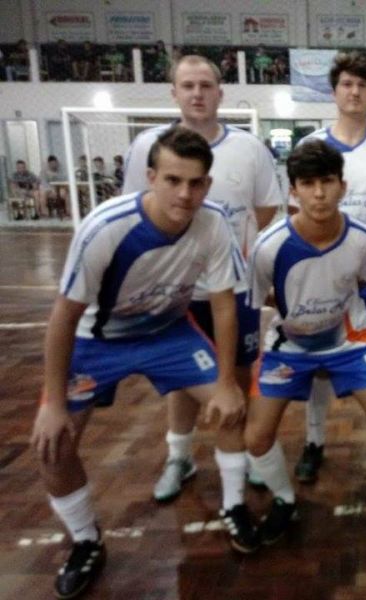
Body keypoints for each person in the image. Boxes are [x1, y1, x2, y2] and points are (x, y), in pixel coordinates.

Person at [31, 128, 258, 600]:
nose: (184, 194)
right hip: (97, 340)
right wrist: (53, 402)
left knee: (232, 408)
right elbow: (63, 318)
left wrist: (225, 381)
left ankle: (235, 505)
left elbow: (223, 305)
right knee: (53, 446)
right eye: (173, 180)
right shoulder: (105, 226)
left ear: (207, 185)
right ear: (151, 177)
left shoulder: (215, 222)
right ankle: (86, 541)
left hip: (169, 333)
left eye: (195, 183)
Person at [123, 54, 283, 502]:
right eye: (188, 85)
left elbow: (265, 209)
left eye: (206, 85)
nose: (197, 94)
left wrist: (230, 253)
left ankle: (241, 451)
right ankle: (180, 455)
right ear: (174, 92)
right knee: (182, 373)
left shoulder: (249, 148)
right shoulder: (148, 146)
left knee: (237, 369)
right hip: (174, 288)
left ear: (220, 92)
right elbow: (136, 208)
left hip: (235, 285)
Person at [245, 139, 366, 543]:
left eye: (327, 182)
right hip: (289, 346)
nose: (319, 193)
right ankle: (284, 499)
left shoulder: (364, 239)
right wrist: (298, 310)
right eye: (307, 183)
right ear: (293, 191)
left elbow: (362, 284)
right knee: (256, 437)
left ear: (343, 185)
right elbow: (260, 298)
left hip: (349, 340)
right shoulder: (268, 247)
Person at [292, 52, 366, 484]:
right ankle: (314, 441)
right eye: (347, 84)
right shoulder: (311, 147)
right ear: (334, 91)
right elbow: (296, 211)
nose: (355, 92)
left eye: (363, 85)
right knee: (319, 363)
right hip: (324, 277)